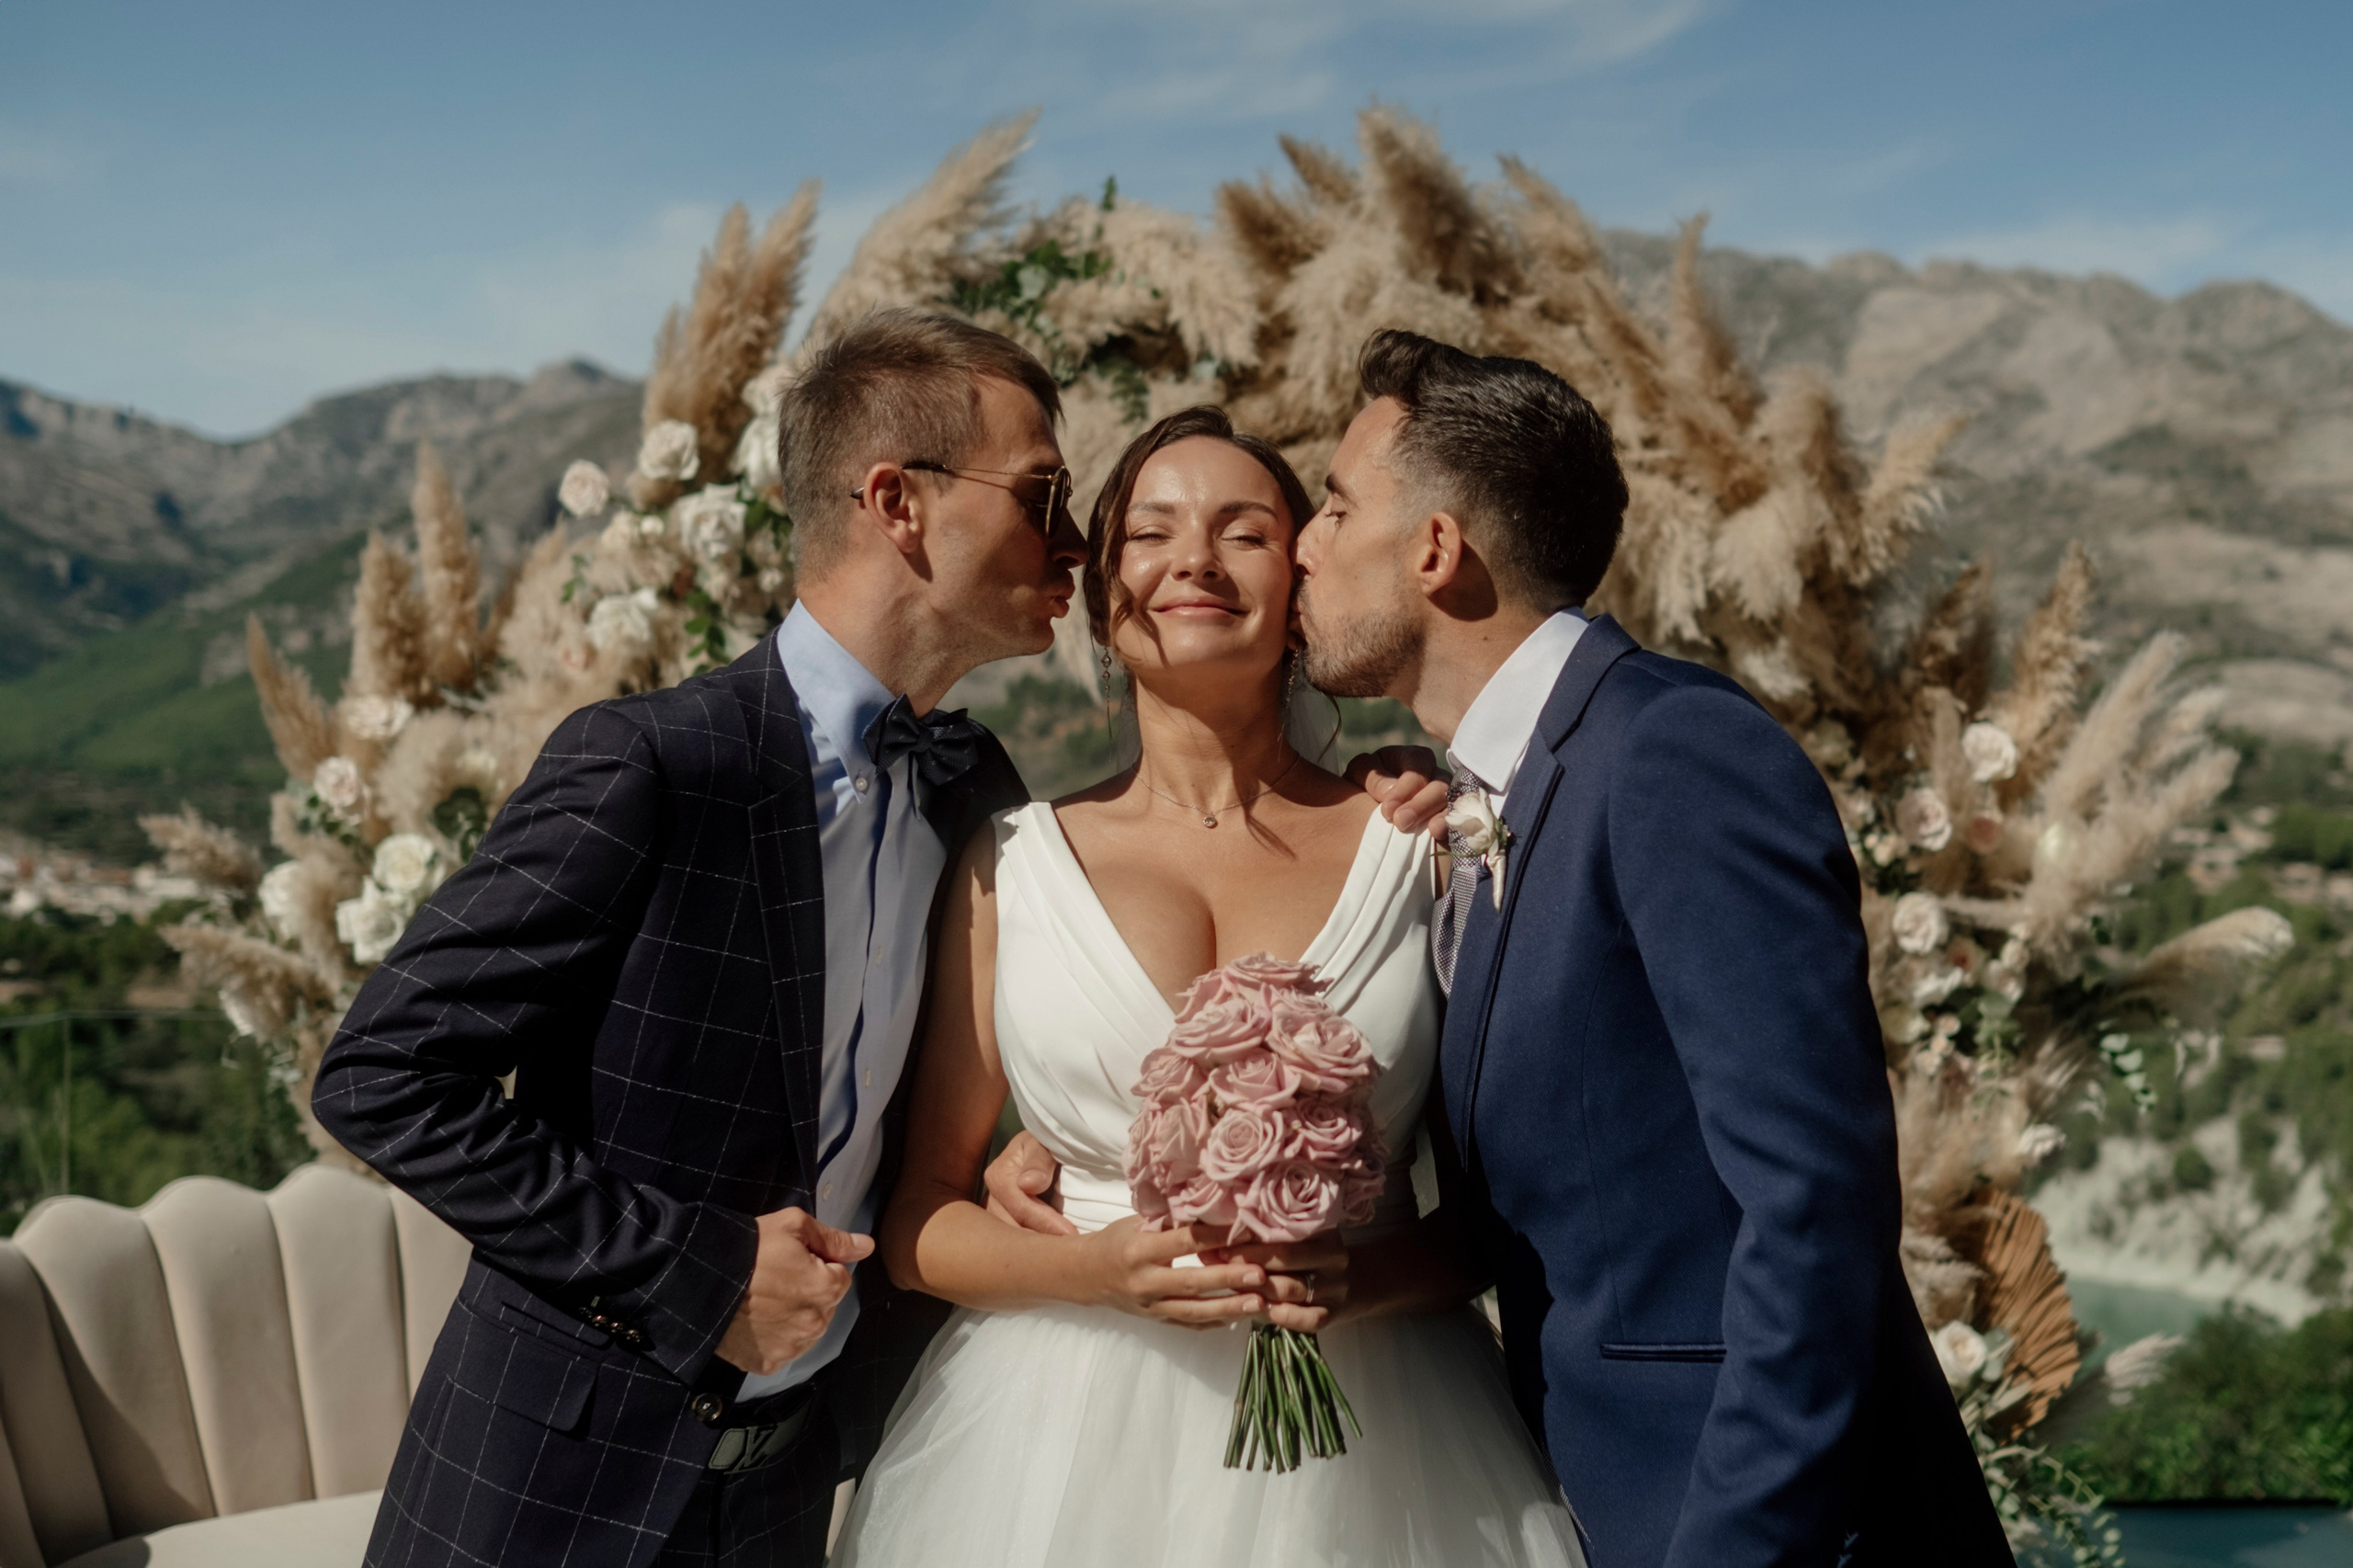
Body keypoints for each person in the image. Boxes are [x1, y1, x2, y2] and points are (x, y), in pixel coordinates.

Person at [313, 309, 1086, 1568]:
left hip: (790, 1491)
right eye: (1044, 490)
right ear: (897, 502)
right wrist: (696, 1263)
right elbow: (383, 1073)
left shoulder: (970, 783)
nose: (1079, 539)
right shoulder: (654, 763)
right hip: (550, 1484)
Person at [1284, 330, 2015, 1566]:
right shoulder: (1490, 800)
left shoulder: (1674, 754)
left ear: (1435, 549)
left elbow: (1814, 1207)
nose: (1305, 539)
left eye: (1336, 503)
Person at [828, 405, 1584, 1568]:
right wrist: (1093, 1268)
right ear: (1102, 590)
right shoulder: (1008, 864)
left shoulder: (1423, 840)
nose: (1193, 560)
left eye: (1244, 532)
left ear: (1302, 584)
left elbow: (1507, 1210)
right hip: (1055, 1451)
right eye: (1150, 531)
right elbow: (924, 1215)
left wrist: (1359, 1277)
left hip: (1392, 1455)